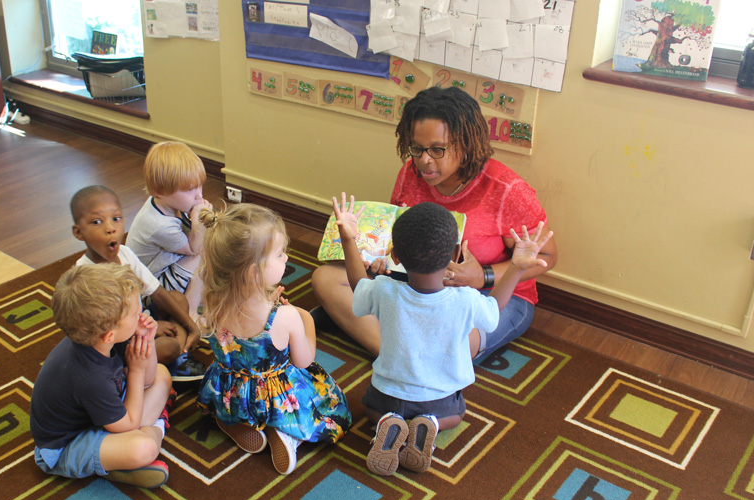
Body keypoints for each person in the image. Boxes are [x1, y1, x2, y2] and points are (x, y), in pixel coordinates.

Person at [311, 86, 558, 362]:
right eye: (417, 148)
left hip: (490, 295)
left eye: (438, 150)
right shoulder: (410, 173)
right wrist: (382, 260)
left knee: (452, 348)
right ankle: (399, 357)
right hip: (417, 282)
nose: (424, 160)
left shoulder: (507, 190)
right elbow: (397, 234)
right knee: (325, 278)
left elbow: (546, 256)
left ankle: (383, 338)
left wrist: (482, 277)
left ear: (466, 143)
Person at [332, 196, 552, 475]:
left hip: (387, 393)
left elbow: (357, 283)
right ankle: (430, 424)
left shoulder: (384, 290)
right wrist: (517, 266)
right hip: (440, 399)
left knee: (370, 409)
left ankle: (387, 421)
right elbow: (495, 307)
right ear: (455, 253)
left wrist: (349, 238)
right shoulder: (466, 300)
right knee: (456, 415)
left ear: (395, 256)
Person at [194, 203, 351, 475]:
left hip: (231, 391)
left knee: (237, 383)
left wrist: (265, 298)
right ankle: (286, 431)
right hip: (276, 395)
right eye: (279, 254)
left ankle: (233, 420)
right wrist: (306, 318)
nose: (287, 258)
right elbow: (304, 360)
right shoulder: (286, 316)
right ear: (254, 273)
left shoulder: (210, 303)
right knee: (324, 397)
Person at [30, 263, 174, 488]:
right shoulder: (89, 377)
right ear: (109, 335)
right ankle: (153, 430)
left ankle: (120, 456)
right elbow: (129, 423)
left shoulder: (100, 338)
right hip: (65, 447)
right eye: (135, 312)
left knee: (162, 376)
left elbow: (149, 379)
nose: (141, 312)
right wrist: (135, 371)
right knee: (143, 447)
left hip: (101, 415)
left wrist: (147, 341)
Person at [70, 185, 202, 378]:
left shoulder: (125, 254)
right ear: (79, 232)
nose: (110, 228)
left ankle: (176, 360)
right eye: (97, 222)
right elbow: (108, 333)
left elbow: (157, 292)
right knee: (169, 346)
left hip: (139, 320)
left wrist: (192, 327)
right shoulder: (85, 276)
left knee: (177, 299)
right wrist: (152, 329)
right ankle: (172, 361)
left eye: (116, 218)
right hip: (119, 343)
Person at [126, 141, 212, 317]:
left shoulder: (165, 204)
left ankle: (200, 295)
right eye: (189, 189)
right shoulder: (160, 225)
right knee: (202, 253)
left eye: (199, 186)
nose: (199, 195)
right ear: (160, 191)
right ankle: (190, 312)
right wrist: (198, 223)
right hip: (150, 293)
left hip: (162, 271)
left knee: (207, 248)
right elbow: (195, 248)